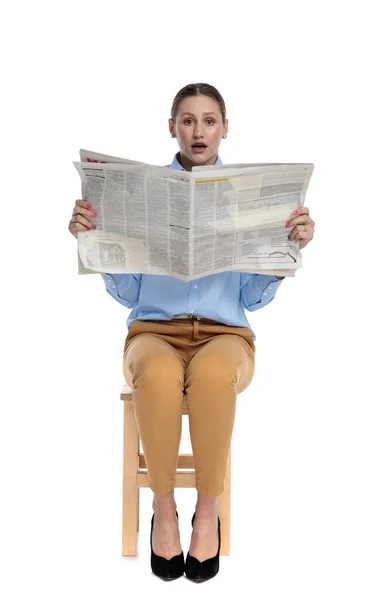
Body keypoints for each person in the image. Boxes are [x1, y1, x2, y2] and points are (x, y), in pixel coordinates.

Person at [68, 82, 315, 582]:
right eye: (187, 120)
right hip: (153, 330)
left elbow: (249, 299)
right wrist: (94, 241)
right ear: (171, 127)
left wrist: (285, 253)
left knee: (212, 374)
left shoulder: (245, 194)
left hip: (226, 336)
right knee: (156, 376)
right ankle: (163, 510)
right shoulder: (141, 189)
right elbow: (132, 291)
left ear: (225, 128)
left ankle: (207, 510)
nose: (198, 130)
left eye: (208, 120)